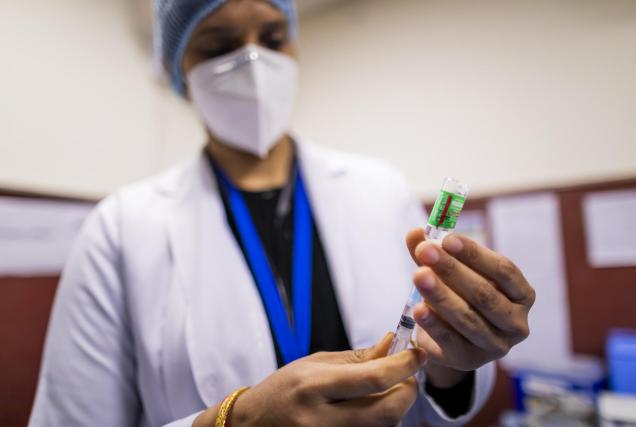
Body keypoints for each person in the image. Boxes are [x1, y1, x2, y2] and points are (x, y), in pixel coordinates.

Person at [29, 0, 535, 426]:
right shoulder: (120, 226)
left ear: (293, 48)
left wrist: (456, 362)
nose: (252, 60)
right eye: (219, 45)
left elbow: (435, 374)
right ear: (177, 69)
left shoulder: (380, 189)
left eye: (272, 39)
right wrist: (232, 419)